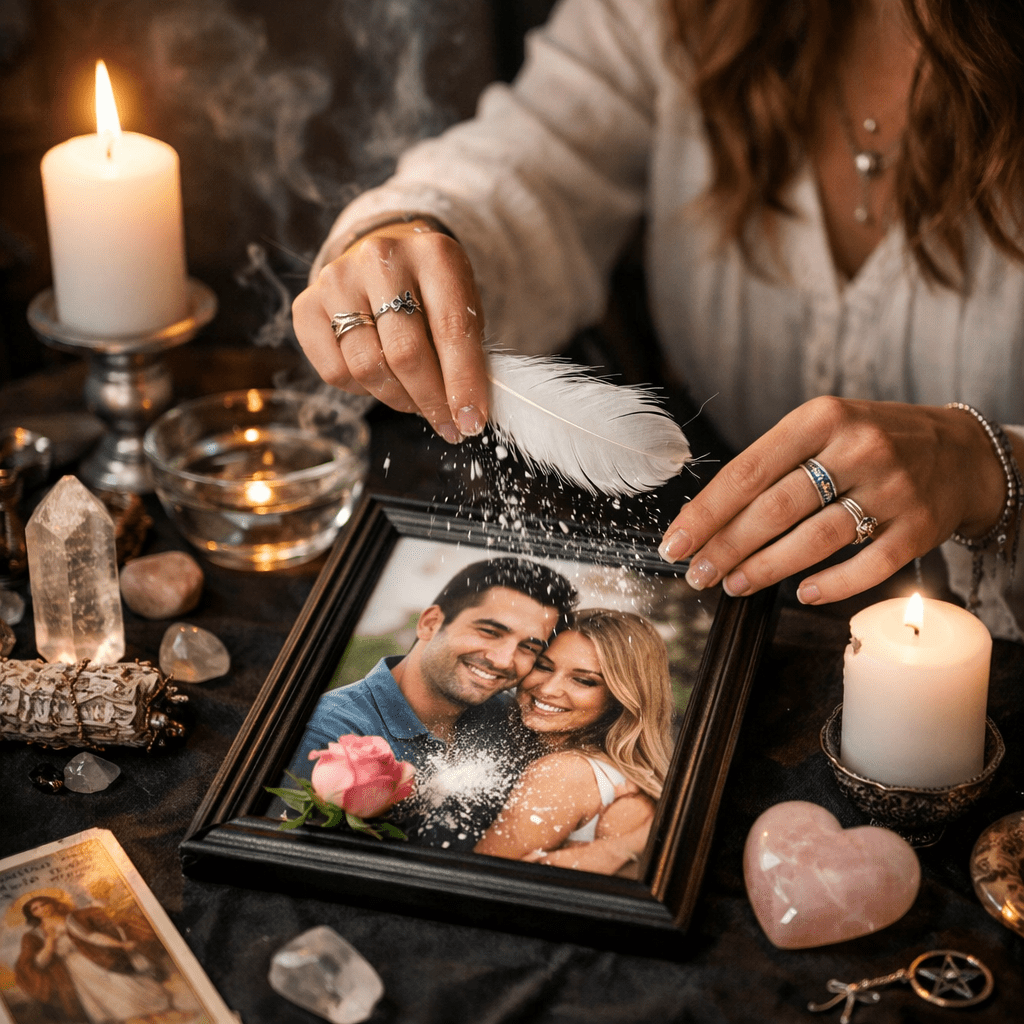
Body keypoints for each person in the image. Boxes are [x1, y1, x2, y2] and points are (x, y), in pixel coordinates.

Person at [291, 0, 1024, 640]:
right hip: (744, 607)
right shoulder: (676, 12)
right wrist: (406, 236)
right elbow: (531, 160)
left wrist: (988, 467)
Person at [284, 556, 577, 848]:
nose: (503, 660)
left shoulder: (507, 717)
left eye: (528, 647)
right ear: (430, 623)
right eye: (490, 632)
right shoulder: (326, 733)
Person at [475, 608, 674, 876]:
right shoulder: (616, 774)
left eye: (583, 680)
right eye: (543, 666)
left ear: (621, 697)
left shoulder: (564, 773)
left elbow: (477, 881)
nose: (547, 689)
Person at [14, 894, 172, 1024]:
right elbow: (39, 964)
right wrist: (50, 943)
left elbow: (92, 937)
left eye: (44, 903)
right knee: (109, 1002)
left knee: (127, 988)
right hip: (76, 972)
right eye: (36, 908)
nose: (42, 908)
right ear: (32, 914)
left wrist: (120, 944)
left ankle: (159, 1018)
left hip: (96, 960)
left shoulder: (72, 919)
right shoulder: (34, 935)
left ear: (52, 903)